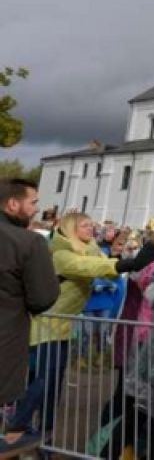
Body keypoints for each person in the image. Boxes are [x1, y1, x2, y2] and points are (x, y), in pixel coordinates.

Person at [5, 210, 154, 449]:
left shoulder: (90, 249)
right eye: (85, 226)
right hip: (44, 327)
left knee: (53, 391)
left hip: (63, 328)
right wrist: (125, 263)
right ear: (70, 229)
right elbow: (87, 266)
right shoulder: (61, 254)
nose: (91, 229)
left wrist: (129, 260)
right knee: (44, 381)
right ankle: (15, 425)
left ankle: (45, 438)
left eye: (91, 225)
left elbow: (102, 266)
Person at [0, 179, 60, 456]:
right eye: (33, 202)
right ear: (13, 204)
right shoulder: (27, 242)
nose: (37, 209)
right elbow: (43, 297)